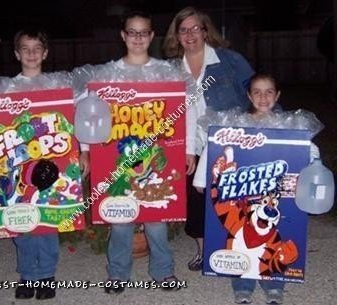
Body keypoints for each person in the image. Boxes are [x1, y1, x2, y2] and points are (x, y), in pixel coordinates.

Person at [0, 28, 90, 300]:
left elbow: (81, 116)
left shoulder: (58, 86)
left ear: (45, 53)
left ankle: (45, 275)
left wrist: (85, 151)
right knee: (19, 223)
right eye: (25, 48)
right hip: (15, 169)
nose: (31, 53)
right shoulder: (4, 89)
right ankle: (26, 275)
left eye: (37, 48)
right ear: (16, 53)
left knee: (46, 223)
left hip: (52, 167)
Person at [76, 11, 185, 294]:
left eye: (143, 32)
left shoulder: (167, 73)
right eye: (132, 32)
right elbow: (86, 114)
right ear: (123, 35)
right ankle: (118, 275)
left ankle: (163, 272)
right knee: (121, 221)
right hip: (114, 161)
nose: (137, 38)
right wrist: (85, 151)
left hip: (155, 164)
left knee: (157, 222)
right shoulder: (105, 75)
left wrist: (190, 149)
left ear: (151, 36)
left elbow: (189, 110)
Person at [194, 73, 320, 304]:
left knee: (274, 243)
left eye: (269, 91)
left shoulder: (290, 126)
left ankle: (274, 284)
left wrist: (314, 167)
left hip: (274, 201)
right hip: (244, 203)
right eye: (257, 92)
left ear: (278, 95)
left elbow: (309, 151)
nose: (263, 97)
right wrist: (202, 180)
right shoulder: (236, 125)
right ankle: (243, 284)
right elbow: (215, 146)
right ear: (249, 95)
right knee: (237, 243)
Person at [163, 6, 254, 271]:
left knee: (232, 199)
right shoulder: (170, 69)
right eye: (183, 30)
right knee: (195, 199)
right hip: (190, 144)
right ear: (176, 35)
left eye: (195, 28)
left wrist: (281, 129)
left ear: (205, 31)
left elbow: (259, 93)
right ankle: (205, 252)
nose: (190, 34)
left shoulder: (229, 60)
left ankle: (237, 250)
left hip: (227, 141)